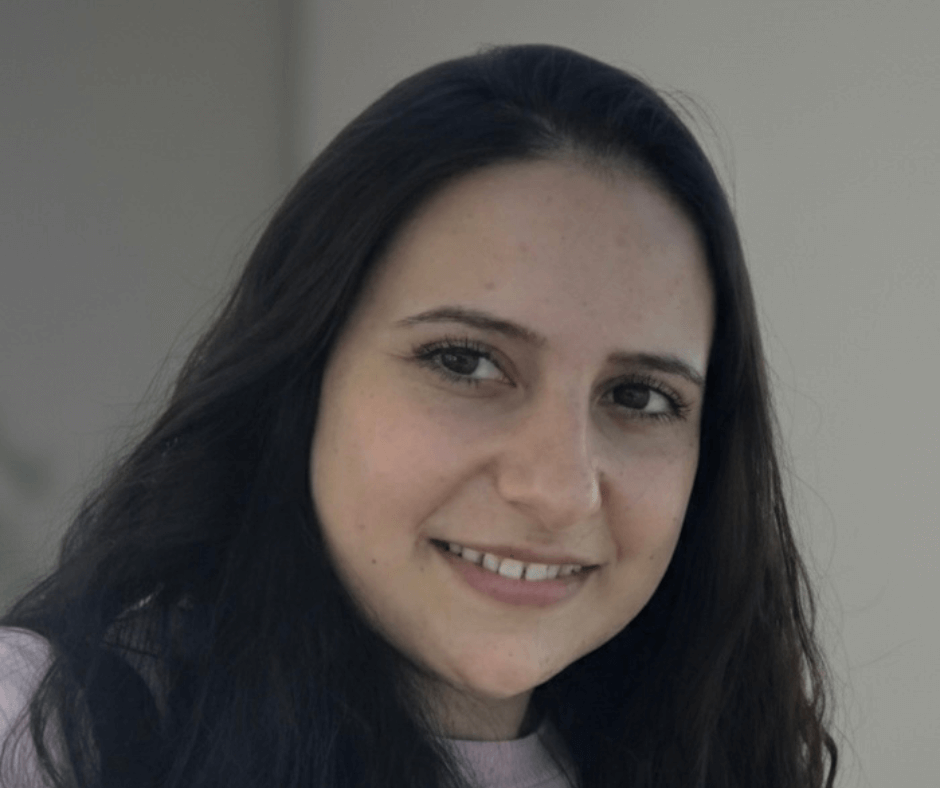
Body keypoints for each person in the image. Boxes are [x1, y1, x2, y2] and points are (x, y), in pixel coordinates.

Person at [0, 44, 838, 788]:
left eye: (640, 397)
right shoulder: (46, 728)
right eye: (465, 361)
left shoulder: (719, 760)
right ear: (302, 372)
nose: (558, 490)